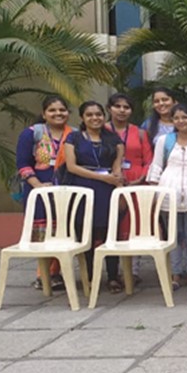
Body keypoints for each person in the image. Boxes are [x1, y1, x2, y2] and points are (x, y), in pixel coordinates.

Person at [62, 101, 126, 293]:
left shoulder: (113, 139)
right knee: (85, 233)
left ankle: (113, 276)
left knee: (110, 232)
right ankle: (89, 276)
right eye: (89, 115)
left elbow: (117, 166)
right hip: (82, 188)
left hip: (107, 189)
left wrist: (117, 182)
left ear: (104, 116)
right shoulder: (73, 138)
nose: (94, 118)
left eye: (98, 114)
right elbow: (72, 166)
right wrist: (101, 177)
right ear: (82, 117)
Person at [147, 104, 187, 290]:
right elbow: (157, 166)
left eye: (185, 117)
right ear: (172, 121)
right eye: (177, 118)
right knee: (173, 235)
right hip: (168, 191)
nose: (181, 121)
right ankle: (175, 273)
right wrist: (154, 195)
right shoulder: (164, 141)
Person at [15, 95, 72, 290]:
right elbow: (22, 164)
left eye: (62, 110)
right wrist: (38, 185)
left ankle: (56, 273)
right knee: (43, 233)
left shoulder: (73, 135)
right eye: (52, 110)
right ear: (44, 114)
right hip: (38, 193)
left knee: (62, 232)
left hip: (65, 192)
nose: (58, 113)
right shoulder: (32, 133)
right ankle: (43, 274)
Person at [106, 92, 154, 286]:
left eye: (126, 107)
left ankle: (133, 271)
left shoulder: (139, 133)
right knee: (112, 225)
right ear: (109, 109)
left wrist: (140, 179)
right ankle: (113, 272)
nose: (122, 110)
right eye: (117, 106)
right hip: (109, 181)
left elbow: (148, 160)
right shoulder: (102, 130)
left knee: (134, 225)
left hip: (136, 182)